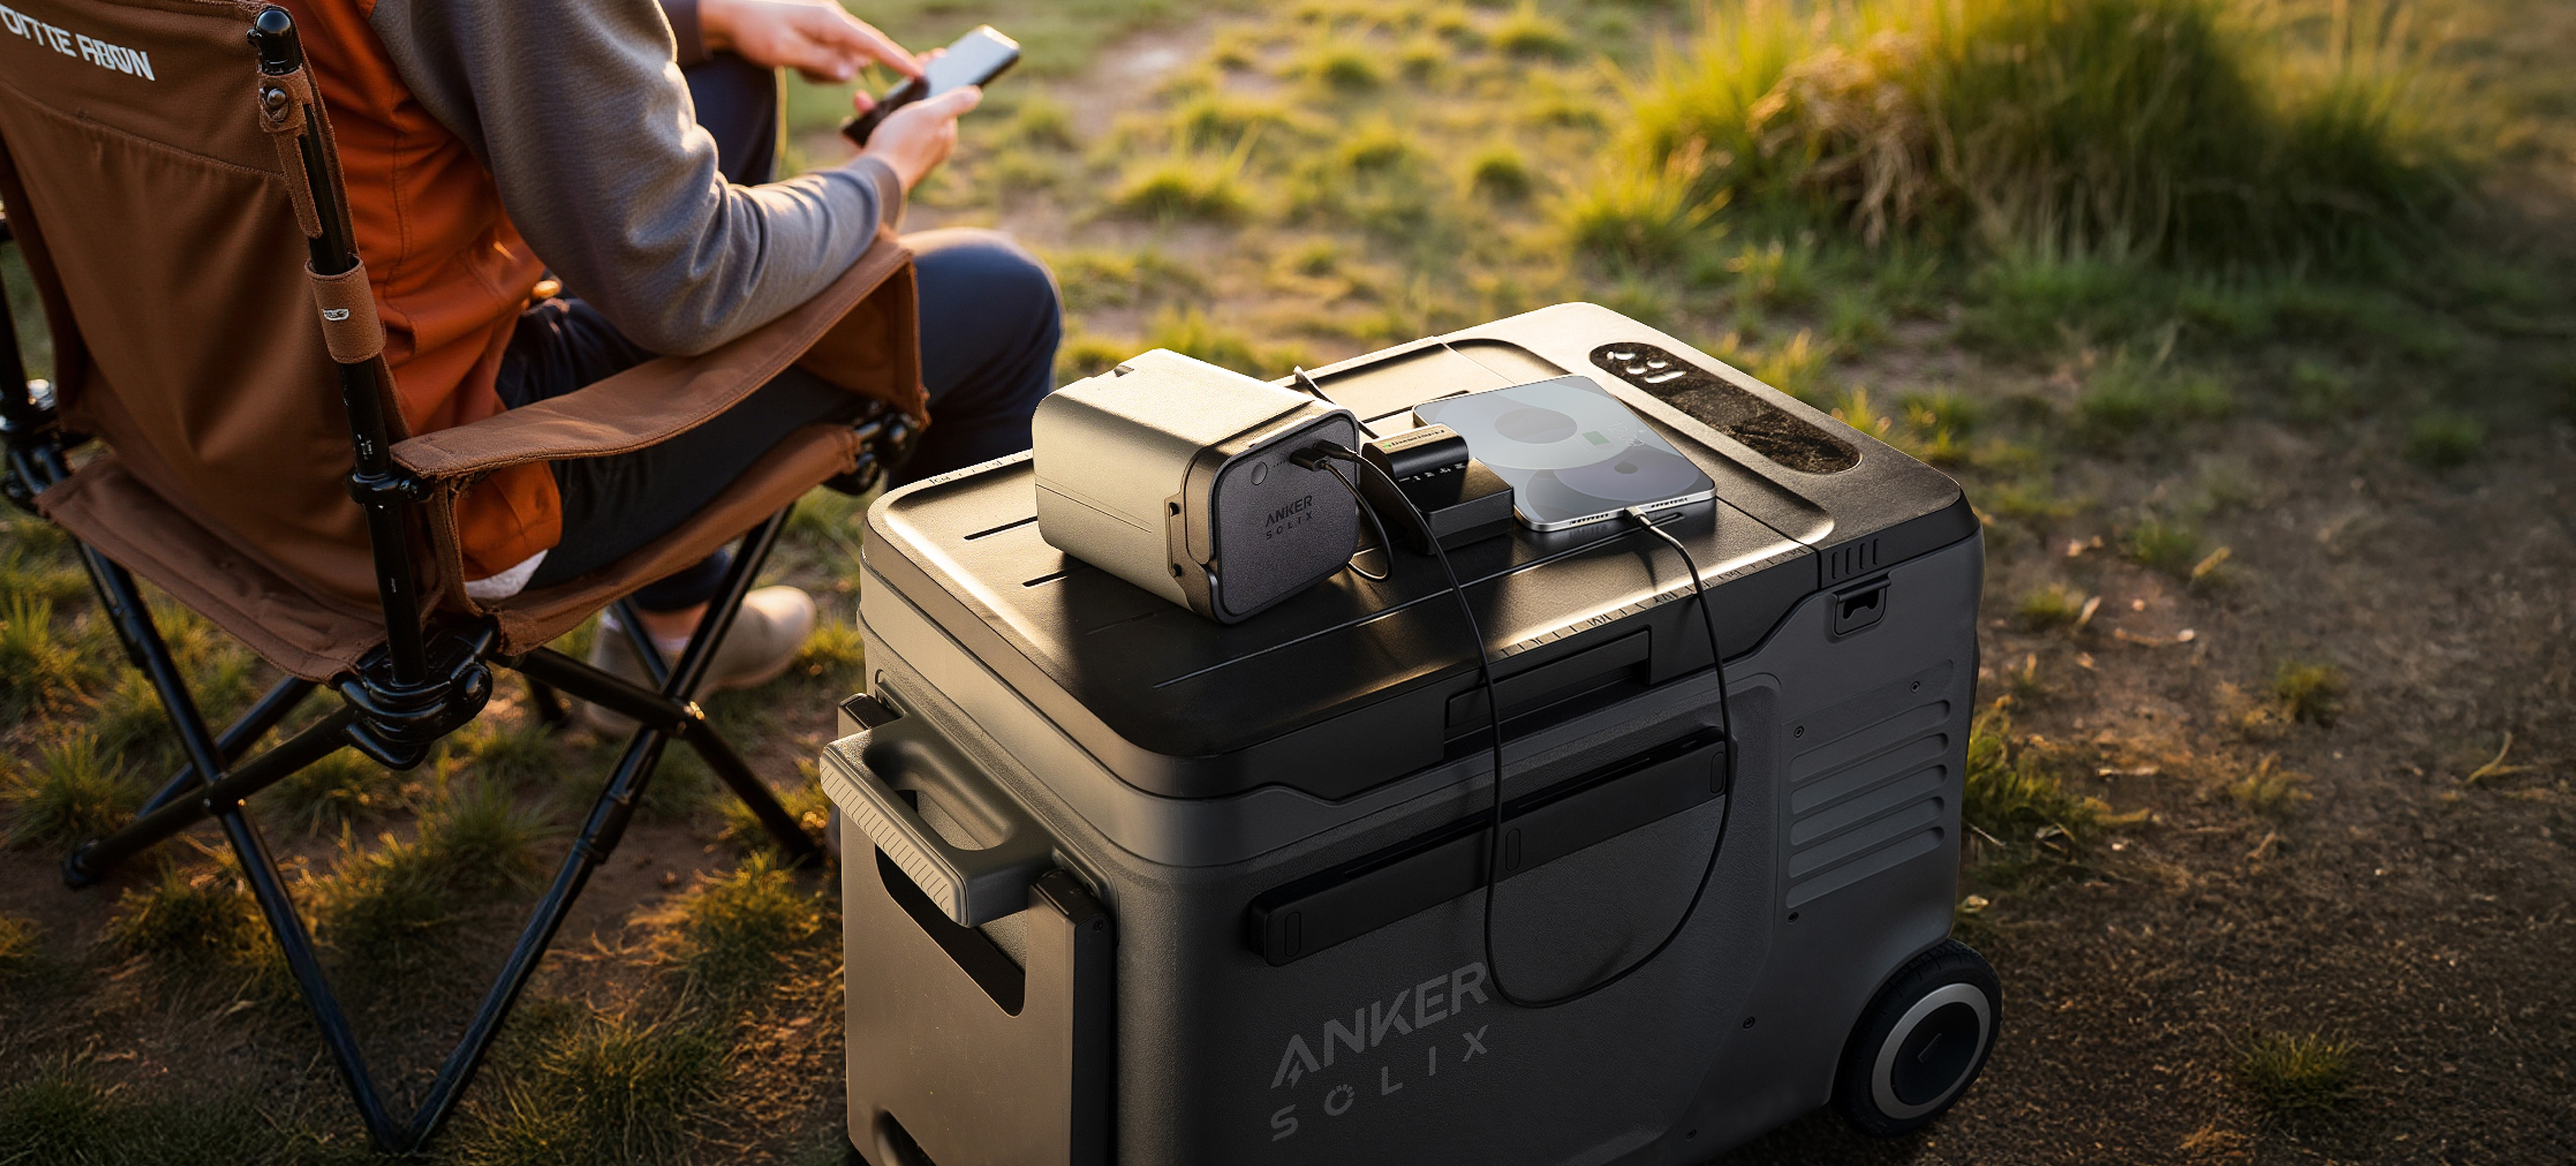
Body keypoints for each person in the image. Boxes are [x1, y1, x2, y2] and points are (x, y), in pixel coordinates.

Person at [286, 0, 1062, 727]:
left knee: (725, 72)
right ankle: (961, 746)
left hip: (253, 448)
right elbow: (695, 281)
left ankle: (678, 627)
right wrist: (881, 176)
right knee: (1004, 296)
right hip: (447, 485)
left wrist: (711, 16)